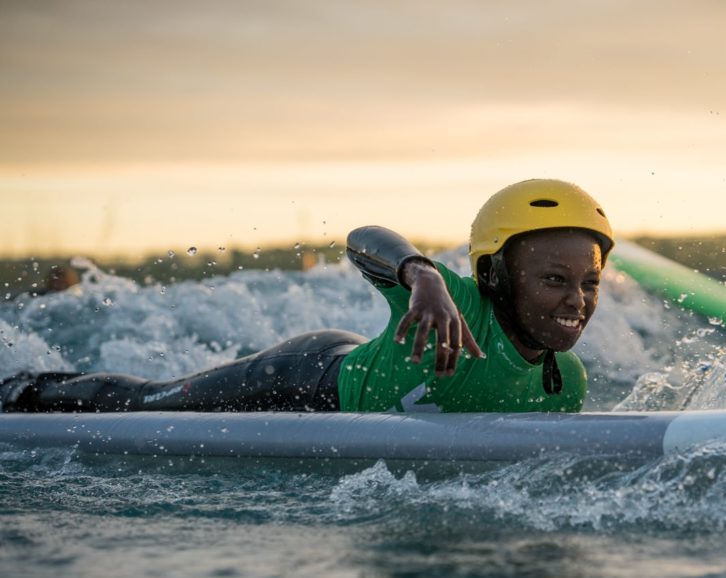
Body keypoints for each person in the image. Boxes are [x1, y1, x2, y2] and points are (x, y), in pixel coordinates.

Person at [0, 179, 614, 413]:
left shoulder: (570, 382)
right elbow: (363, 239)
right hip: (302, 378)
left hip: (361, 372)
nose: (576, 301)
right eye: (554, 280)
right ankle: (20, 389)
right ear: (497, 278)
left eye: (588, 282)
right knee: (148, 405)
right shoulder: (455, 302)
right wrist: (421, 274)